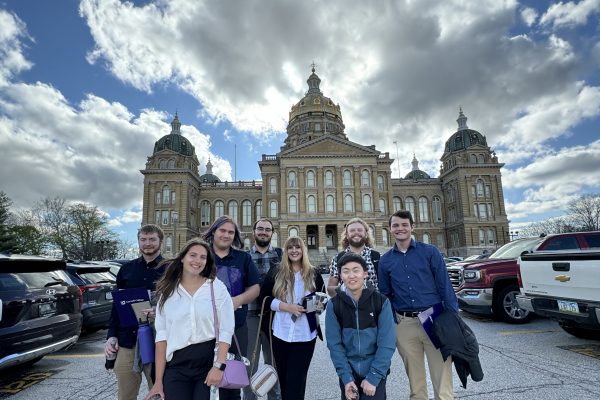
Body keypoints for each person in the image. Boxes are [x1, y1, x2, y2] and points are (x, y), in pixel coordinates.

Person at [378, 210, 459, 400]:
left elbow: (444, 285)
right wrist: (392, 321)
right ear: (390, 229)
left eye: (404, 225)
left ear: (412, 227)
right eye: (396, 225)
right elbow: (385, 293)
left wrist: (453, 318)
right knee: (415, 381)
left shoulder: (430, 252)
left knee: (442, 378)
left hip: (434, 319)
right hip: (404, 323)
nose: (400, 229)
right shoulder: (385, 260)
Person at [144, 238, 235, 400]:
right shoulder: (168, 293)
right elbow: (161, 339)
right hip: (176, 365)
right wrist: (158, 381)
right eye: (193, 255)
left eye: (203, 257)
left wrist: (219, 366)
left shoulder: (217, 287)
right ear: (182, 258)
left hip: (208, 362)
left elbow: (226, 330)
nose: (197, 261)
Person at [105, 224, 166, 400]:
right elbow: (116, 307)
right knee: (125, 394)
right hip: (127, 340)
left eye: (152, 239)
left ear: (160, 241)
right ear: (138, 242)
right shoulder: (126, 270)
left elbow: (180, 304)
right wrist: (111, 335)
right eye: (143, 239)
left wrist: (160, 312)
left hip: (158, 340)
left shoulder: (171, 269)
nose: (148, 243)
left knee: (159, 393)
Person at [260, 236, 325, 400]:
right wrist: (287, 307)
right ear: (286, 251)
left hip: (305, 335)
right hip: (280, 333)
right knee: (283, 379)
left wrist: (314, 306)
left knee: (297, 381)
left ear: (303, 250)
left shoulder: (314, 273)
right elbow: (264, 299)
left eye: (297, 247)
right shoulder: (276, 271)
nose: (294, 251)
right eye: (290, 248)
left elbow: (322, 301)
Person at [202, 215, 260, 400]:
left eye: (230, 232)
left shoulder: (243, 258)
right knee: (202, 378)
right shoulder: (201, 255)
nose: (226, 235)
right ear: (213, 232)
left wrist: (237, 301)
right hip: (203, 329)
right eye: (222, 231)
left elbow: (255, 288)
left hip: (236, 328)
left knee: (231, 381)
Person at [326, 253, 396, 400]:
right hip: (349, 372)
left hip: (375, 371)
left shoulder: (381, 302)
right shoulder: (334, 305)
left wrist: (374, 377)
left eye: (356, 270)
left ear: (365, 274)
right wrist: (346, 378)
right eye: (346, 271)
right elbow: (334, 345)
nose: (351, 275)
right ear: (340, 276)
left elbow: (387, 344)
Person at [245, 218, 283, 400]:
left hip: (273, 318)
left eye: (267, 230)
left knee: (273, 364)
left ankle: (275, 398)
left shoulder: (279, 256)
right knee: (249, 365)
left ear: (272, 233)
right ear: (254, 232)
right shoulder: (244, 257)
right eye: (260, 228)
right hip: (250, 316)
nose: (263, 232)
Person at [327, 218, 380, 296]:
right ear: (347, 235)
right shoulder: (338, 258)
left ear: (366, 234)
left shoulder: (377, 257)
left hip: (373, 305)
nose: (356, 233)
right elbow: (330, 288)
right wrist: (347, 292)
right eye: (352, 230)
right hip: (348, 305)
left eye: (360, 230)